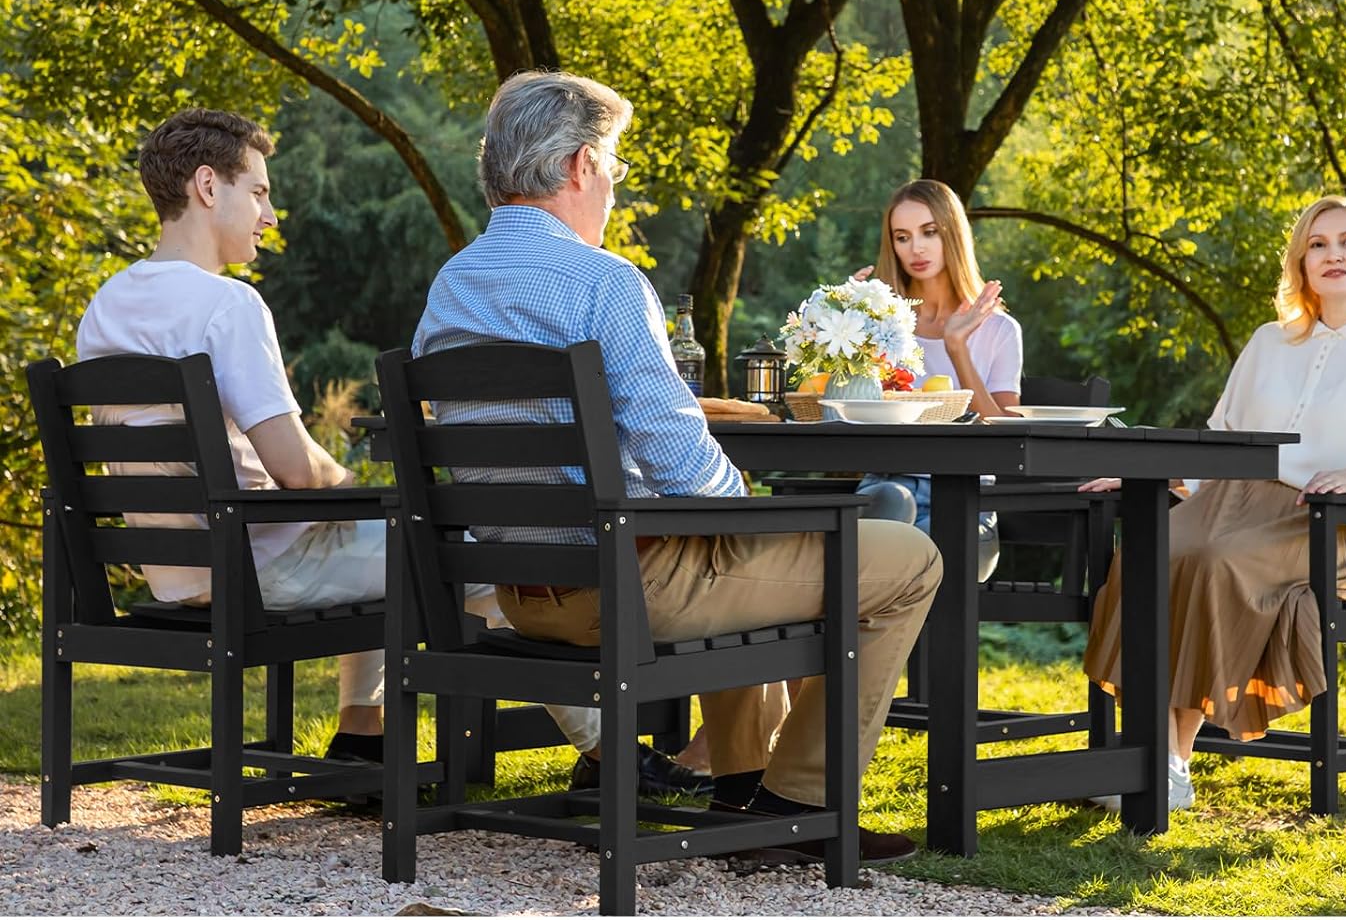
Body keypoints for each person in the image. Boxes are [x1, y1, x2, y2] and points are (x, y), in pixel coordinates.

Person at [412, 69, 943, 865]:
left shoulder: (451, 285)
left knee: (729, 539)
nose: (613, 188)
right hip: (623, 592)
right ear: (581, 165)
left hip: (521, 597)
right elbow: (684, 467)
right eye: (614, 168)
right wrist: (753, 508)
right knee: (907, 558)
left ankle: (741, 786)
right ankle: (802, 804)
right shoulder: (606, 284)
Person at [74, 107, 608, 773]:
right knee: (468, 555)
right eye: (259, 193)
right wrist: (351, 486)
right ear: (208, 186)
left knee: (389, 541)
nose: (270, 217)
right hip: (259, 569)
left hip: (177, 573)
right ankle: (609, 752)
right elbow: (297, 470)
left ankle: (361, 735)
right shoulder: (227, 305)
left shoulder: (106, 306)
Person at [1080, 194, 1346, 811]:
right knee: (1148, 552)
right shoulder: (1269, 341)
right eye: (1317, 245)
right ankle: (1152, 757)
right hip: (1225, 503)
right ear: (1301, 263)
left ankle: (1167, 762)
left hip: (1319, 523)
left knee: (1213, 561)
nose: (1333, 255)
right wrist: (1151, 477)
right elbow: (1222, 437)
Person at [853, 179, 1022, 581]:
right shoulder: (878, 321)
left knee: (912, 552)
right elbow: (848, 413)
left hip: (966, 501)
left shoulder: (1000, 330)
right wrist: (848, 323)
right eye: (903, 237)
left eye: (929, 232)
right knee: (890, 504)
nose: (917, 248)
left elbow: (1008, 435)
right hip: (887, 485)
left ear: (952, 233)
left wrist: (957, 347)